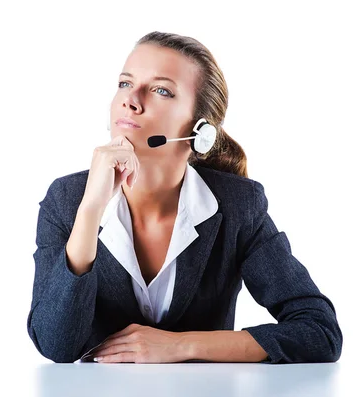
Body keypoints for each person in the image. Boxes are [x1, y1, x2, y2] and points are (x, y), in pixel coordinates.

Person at [27, 31, 343, 364]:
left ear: (200, 131)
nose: (131, 100)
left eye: (161, 90)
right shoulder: (66, 201)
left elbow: (319, 331)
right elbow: (56, 345)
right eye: (124, 83)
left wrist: (179, 346)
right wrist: (90, 211)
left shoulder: (239, 208)